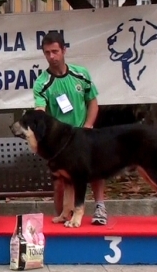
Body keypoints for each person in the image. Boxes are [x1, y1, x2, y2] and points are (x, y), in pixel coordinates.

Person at [33, 31, 107, 225]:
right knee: (60, 183)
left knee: (97, 170)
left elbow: (92, 102)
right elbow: (40, 111)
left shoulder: (81, 74)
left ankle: (100, 207)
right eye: (47, 52)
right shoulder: (41, 83)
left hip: (84, 134)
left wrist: (89, 126)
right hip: (61, 143)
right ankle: (63, 215)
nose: (52, 57)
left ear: (64, 50)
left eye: (55, 51)